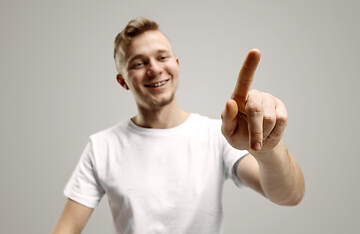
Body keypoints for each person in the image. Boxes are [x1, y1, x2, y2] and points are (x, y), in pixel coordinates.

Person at [52, 17, 305, 234]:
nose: (154, 69)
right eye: (138, 63)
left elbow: (289, 196)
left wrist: (268, 149)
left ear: (176, 64)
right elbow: (66, 229)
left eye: (162, 57)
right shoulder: (102, 147)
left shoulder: (216, 135)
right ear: (123, 81)